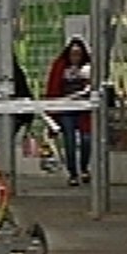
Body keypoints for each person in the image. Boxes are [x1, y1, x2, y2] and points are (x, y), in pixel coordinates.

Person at [45, 37, 93, 186]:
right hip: (66, 109)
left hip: (84, 110)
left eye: (78, 54)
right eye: (73, 54)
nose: (75, 58)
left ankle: (84, 168)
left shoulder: (88, 68)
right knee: (69, 141)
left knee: (86, 139)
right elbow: (53, 87)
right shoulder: (60, 67)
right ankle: (73, 172)